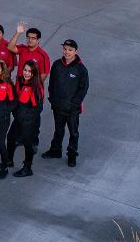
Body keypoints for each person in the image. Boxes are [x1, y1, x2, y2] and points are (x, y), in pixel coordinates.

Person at [42, 39, 89, 168]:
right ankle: (55, 150)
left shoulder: (81, 69)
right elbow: (52, 83)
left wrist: (75, 104)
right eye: (65, 49)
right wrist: (52, 99)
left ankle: (72, 154)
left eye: (70, 50)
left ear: (75, 51)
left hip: (72, 109)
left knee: (73, 132)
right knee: (58, 129)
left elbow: (83, 89)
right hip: (58, 106)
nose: (67, 52)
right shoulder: (57, 64)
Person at [7, 60, 44, 177]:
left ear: (34, 73)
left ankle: (27, 168)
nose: (26, 73)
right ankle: (9, 160)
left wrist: (27, 119)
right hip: (18, 118)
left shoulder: (36, 87)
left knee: (28, 144)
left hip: (29, 122)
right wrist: (16, 113)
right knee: (10, 137)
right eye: (25, 70)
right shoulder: (20, 81)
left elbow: (38, 108)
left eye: (29, 71)